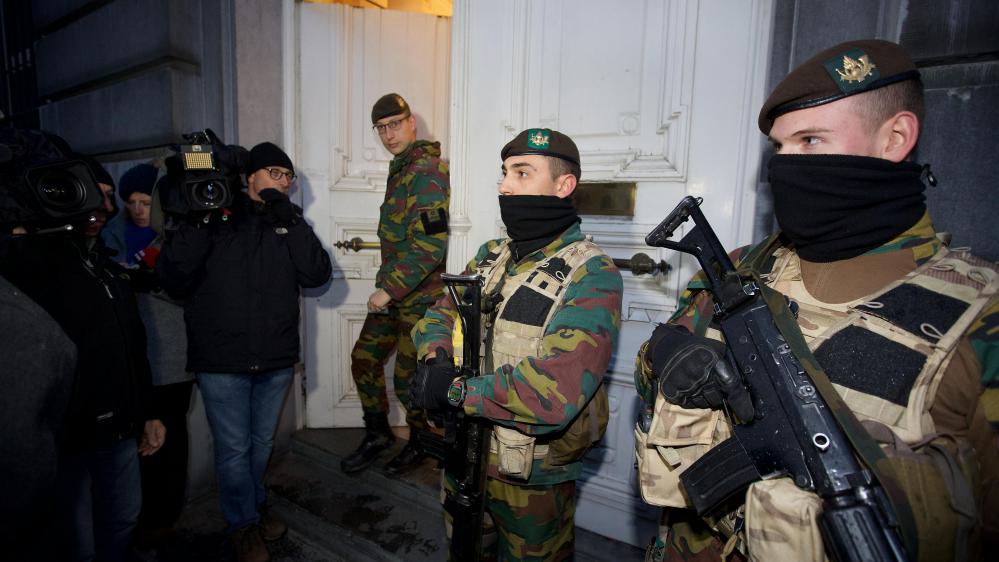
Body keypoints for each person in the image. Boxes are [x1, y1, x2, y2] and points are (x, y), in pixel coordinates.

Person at [634, 39, 999, 562]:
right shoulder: (744, 266)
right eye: (780, 149)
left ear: (895, 137)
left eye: (810, 140)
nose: (787, 167)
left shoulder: (980, 318)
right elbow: (654, 371)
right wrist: (668, 353)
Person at [410, 128, 623, 560]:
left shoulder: (592, 274)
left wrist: (455, 391)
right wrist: (436, 358)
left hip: (530, 478)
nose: (505, 186)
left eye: (522, 173)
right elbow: (439, 312)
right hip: (463, 455)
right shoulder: (490, 255)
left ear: (563, 186)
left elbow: (557, 388)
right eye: (505, 173)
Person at [157, 141, 332, 562]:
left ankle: (251, 506)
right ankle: (242, 524)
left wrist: (289, 218)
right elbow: (174, 278)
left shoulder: (286, 221)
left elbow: (316, 273)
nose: (284, 181)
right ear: (249, 176)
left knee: (259, 443)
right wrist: (200, 218)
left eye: (288, 176)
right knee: (234, 449)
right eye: (275, 172)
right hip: (222, 359)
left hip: (273, 356)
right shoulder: (214, 215)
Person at [0, 131, 165, 562]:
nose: (103, 209)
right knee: (78, 545)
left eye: (106, 198)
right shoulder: (30, 265)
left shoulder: (105, 269)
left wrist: (146, 411)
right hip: (66, 437)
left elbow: (133, 346)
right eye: (92, 196)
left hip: (119, 429)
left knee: (122, 521)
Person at [341, 93, 451, 476]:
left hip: (418, 298)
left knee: (409, 382)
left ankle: (420, 443)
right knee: (364, 360)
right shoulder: (401, 169)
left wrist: (389, 289)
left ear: (411, 123)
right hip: (395, 294)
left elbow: (431, 245)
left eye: (395, 124)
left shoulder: (427, 171)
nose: (388, 134)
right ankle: (378, 433)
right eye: (381, 128)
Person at [103, 164, 196, 550]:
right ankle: (134, 519)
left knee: (169, 440)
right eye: (132, 202)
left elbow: (191, 292)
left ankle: (162, 521)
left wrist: (151, 283)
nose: (139, 210)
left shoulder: (174, 236)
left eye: (146, 202)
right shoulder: (108, 236)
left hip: (171, 357)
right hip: (129, 357)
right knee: (135, 443)